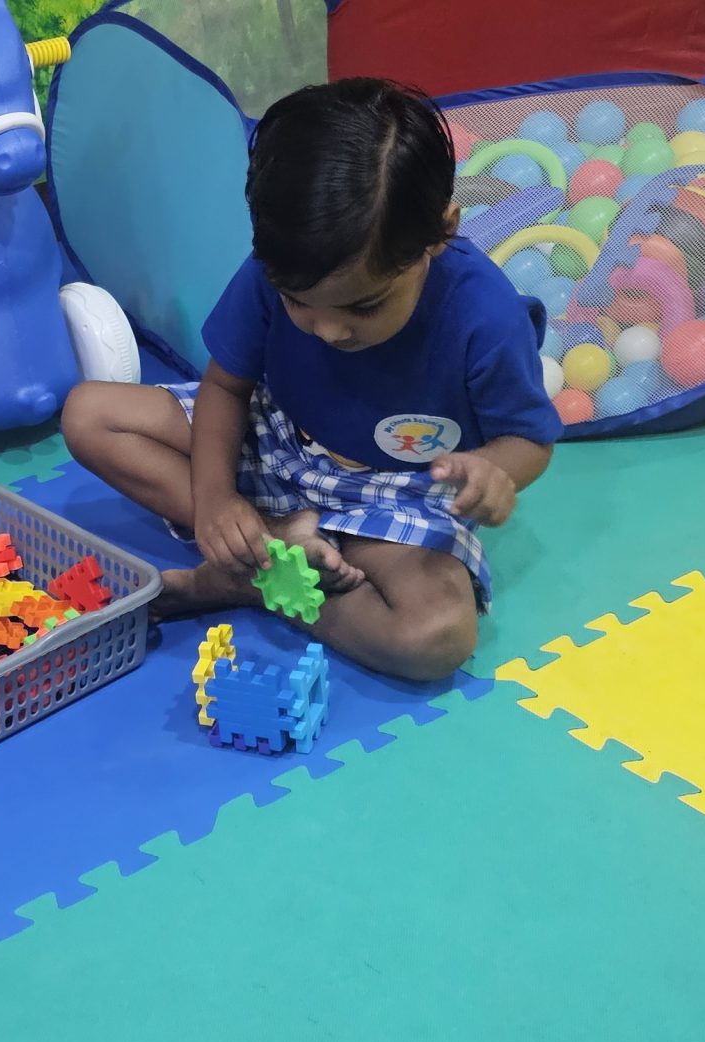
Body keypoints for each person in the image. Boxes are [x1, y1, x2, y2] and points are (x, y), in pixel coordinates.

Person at [61, 78, 561, 682]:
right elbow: (225, 388)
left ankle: (255, 583)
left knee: (436, 635)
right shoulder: (277, 268)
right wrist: (216, 501)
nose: (327, 330)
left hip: (396, 491)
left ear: (441, 232)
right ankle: (274, 541)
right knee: (89, 414)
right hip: (277, 441)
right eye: (297, 301)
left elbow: (529, 440)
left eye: (364, 306)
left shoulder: (485, 315)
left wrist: (494, 472)